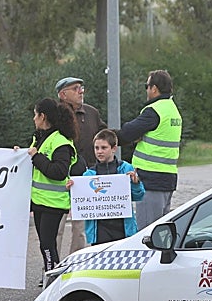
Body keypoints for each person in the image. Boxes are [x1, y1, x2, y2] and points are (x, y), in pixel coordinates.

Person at [117, 69, 182, 230]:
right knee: (160, 232)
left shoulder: (154, 111)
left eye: (147, 86)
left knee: (147, 233)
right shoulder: (172, 109)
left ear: (154, 88)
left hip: (150, 178)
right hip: (167, 178)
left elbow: (127, 133)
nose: (146, 90)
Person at [26, 98, 78, 286]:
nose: (33, 119)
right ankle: (53, 286)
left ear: (43, 116)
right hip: (40, 202)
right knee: (46, 246)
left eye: (35, 114)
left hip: (53, 204)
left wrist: (36, 157)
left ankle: (52, 287)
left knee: (48, 246)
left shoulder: (60, 142)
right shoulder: (40, 137)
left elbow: (59, 172)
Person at [55, 76, 107, 256]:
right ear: (63, 94)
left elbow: (106, 137)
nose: (81, 91)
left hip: (86, 178)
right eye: (76, 88)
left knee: (81, 228)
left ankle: (74, 266)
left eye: (81, 87)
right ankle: (51, 266)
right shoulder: (54, 114)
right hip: (58, 177)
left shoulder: (92, 113)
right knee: (56, 227)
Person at [76, 129, 143, 245]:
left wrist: (136, 184)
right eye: (96, 148)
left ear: (114, 148)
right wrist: (73, 189)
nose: (99, 152)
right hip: (99, 229)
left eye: (103, 147)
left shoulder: (126, 169)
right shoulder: (88, 175)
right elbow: (80, 201)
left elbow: (138, 196)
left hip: (122, 227)